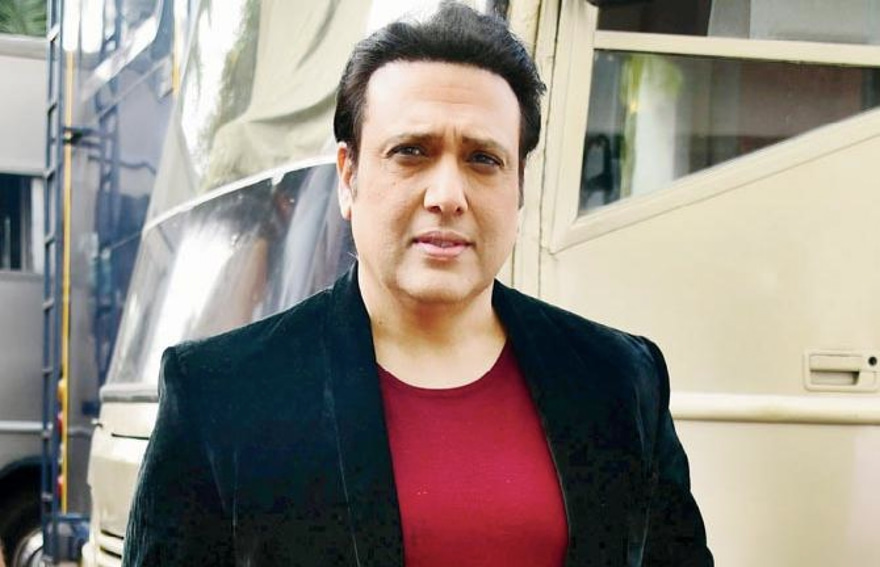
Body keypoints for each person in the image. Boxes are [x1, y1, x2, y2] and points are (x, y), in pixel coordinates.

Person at [122, 3, 712, 566]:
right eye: (411, 152)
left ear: (520, 187)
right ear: (348, 177)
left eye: (483, 159)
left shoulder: (618, 382)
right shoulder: (220, 397)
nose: (447, 196)